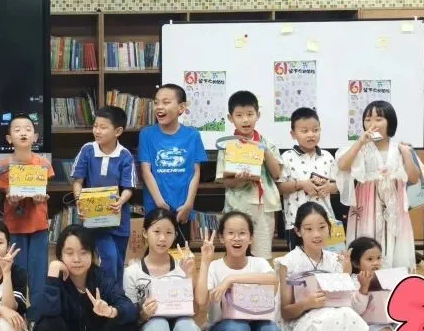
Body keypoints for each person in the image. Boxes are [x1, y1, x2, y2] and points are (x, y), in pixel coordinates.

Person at [275, 202, 368, 331]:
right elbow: (285, 312)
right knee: (323, 318)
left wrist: (346, 274)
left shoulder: (335, 261)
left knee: (352, 317)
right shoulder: (288, 262)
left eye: (322, 227)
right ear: (298, 231)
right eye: (308, 229)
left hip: (332, 317)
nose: (316, 234)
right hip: (300, 321)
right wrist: (306, 303)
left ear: (330, 228)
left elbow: (347, 302)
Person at [197, 211, 281, 331]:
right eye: (231, 233)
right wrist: (205, 262)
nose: (236, 238)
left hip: (256, 329)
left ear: (251, 238)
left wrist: (231, 279)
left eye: (242, 233)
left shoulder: (259, 263)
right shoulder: (215, 266)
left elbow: (273, 281)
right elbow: (201, 301)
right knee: (238, 328)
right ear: (221, 237)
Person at [121, 208, 198, 331]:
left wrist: (189, 277)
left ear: (175, 235)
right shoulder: (132, 272)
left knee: (187, 327)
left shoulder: (183, 267)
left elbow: (195, 311)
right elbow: (128, 316)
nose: (162, 238)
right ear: (145, 233)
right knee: (158, 325)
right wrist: (143, 314)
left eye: (168, 232)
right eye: (156, 231)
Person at [335, 100, 420, 271]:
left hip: (394, 206)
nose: (372, 124)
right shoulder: (361, 147)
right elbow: (343, 165)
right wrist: (360, 143)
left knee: (394, 238)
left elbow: (414, 178)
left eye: (378, 119)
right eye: (368, 119)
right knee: (367, 236)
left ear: (390, 122)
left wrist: (407, 154)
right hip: (367, 204)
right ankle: (364, 279)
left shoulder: (400, 148)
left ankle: (394, 279)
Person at [0, 114, 54, 307]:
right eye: (17, 129)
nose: (23, 133)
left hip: (38, 226)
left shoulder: (43, 164)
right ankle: (17, 312)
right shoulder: (3, 166)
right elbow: (8, 196)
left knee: (38, 273)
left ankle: (37, 314)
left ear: (35, 137)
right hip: (14, 227)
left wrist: (38, 199)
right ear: (9, 138)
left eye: (28, 129)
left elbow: (41, 192)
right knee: (17, 271)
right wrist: (12, 200)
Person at [216, 90, 283, 260]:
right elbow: (226, 182)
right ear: (230, 118)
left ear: (258, 115)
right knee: (236, 253)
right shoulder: (227, 145)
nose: (245, 120)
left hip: (264, 206)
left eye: (250, 114)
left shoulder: (267, 143)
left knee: (262, 255)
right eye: (239, 115)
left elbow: (277, 174)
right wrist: (241, 179)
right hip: (237, 206)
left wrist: (264, 151)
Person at [72, 105, 136, 280]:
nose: (97, 131)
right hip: (95, 219)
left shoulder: (125, 155)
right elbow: (77, 181)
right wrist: (79, 200)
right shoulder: (87, 150)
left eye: (103, 127)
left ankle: (117, 294)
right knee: (109, 257)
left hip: (119, 218)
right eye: (95, 126)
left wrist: (121, 201)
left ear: (118, 131)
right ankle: (107, 293)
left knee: (118, 261)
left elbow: (128, 188)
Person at [138, 84, 208, 242]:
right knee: (157, 250)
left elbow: (196, 172)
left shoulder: (192, 135)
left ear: (181, 108)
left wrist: (189, 204)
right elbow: (146, 171)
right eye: (156, 102)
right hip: (155, 208)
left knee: (180, 251)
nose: (159, 107)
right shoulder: (147, 134)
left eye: (166, 102)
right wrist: (160, 203)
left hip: (182, 209)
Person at [347, 236, 419, 331]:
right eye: (369, 259)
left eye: (379, 258)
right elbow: (356, 309)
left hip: (385, 319)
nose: (376, 262)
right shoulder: (354, 280)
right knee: (385, 330)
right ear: (355, 262)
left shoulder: (385, 276)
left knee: (401, 325)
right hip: (364, 324)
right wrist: (363, 288)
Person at [277, 107, 338, 252]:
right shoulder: (286, 157)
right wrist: (301, 184)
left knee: (329, 260)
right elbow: (279, 187)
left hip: (326, 222)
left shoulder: (327, 157)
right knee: (299, 261)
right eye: (304, 131)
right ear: (293, 134)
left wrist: (328, 187)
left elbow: (338, 185)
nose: (311, 134)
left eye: (315, 130)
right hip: (296, 223)